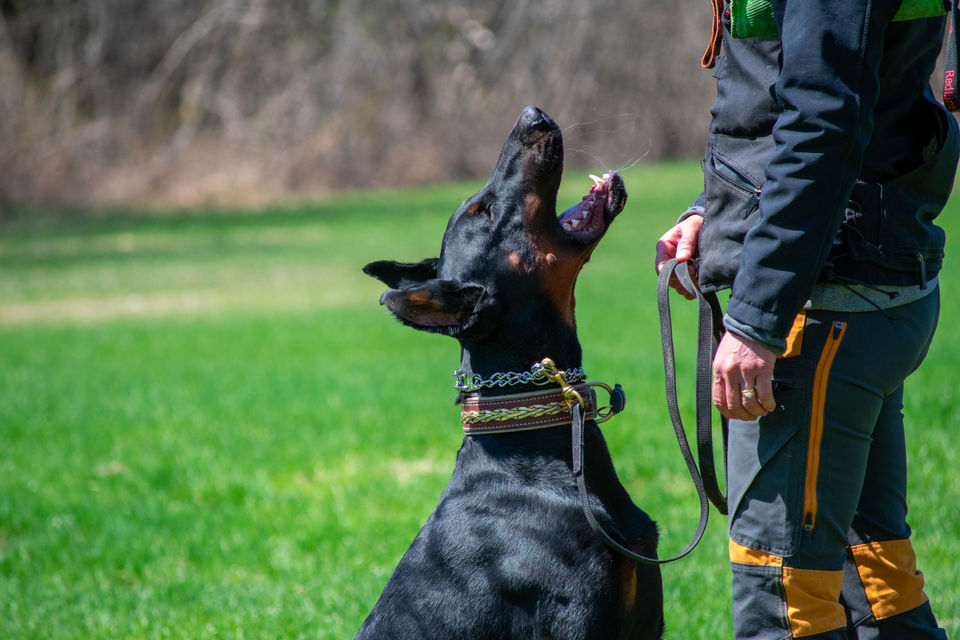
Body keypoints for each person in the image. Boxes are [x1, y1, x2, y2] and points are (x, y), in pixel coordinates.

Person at [655, 0, 958, 638]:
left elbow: (824, 120)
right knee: (873, 585)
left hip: (821, 306)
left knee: (782, 603)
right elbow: (782, 97)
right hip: (865, 279)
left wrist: (758, 318)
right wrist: (719, 211)